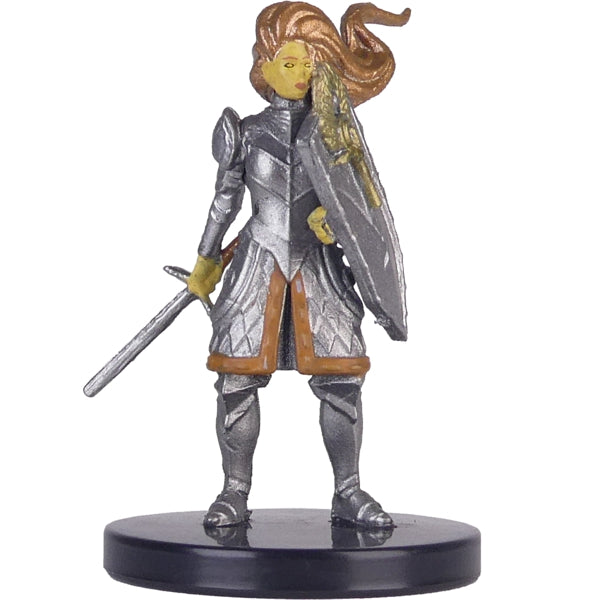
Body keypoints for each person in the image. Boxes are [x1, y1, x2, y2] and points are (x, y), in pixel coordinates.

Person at [187, 1, 410, 529]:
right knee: (237, 383)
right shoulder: (244, 132)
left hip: (319, 266)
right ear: (263, 66)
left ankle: (348, 491)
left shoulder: (334, 132)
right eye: (289, 63)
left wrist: (336, 222)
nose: (301, 73)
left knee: (342, 383)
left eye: (310, 63)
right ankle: (234, 491)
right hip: (257, 262)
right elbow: (224, 201)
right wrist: (205, 260)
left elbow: (359, 204)